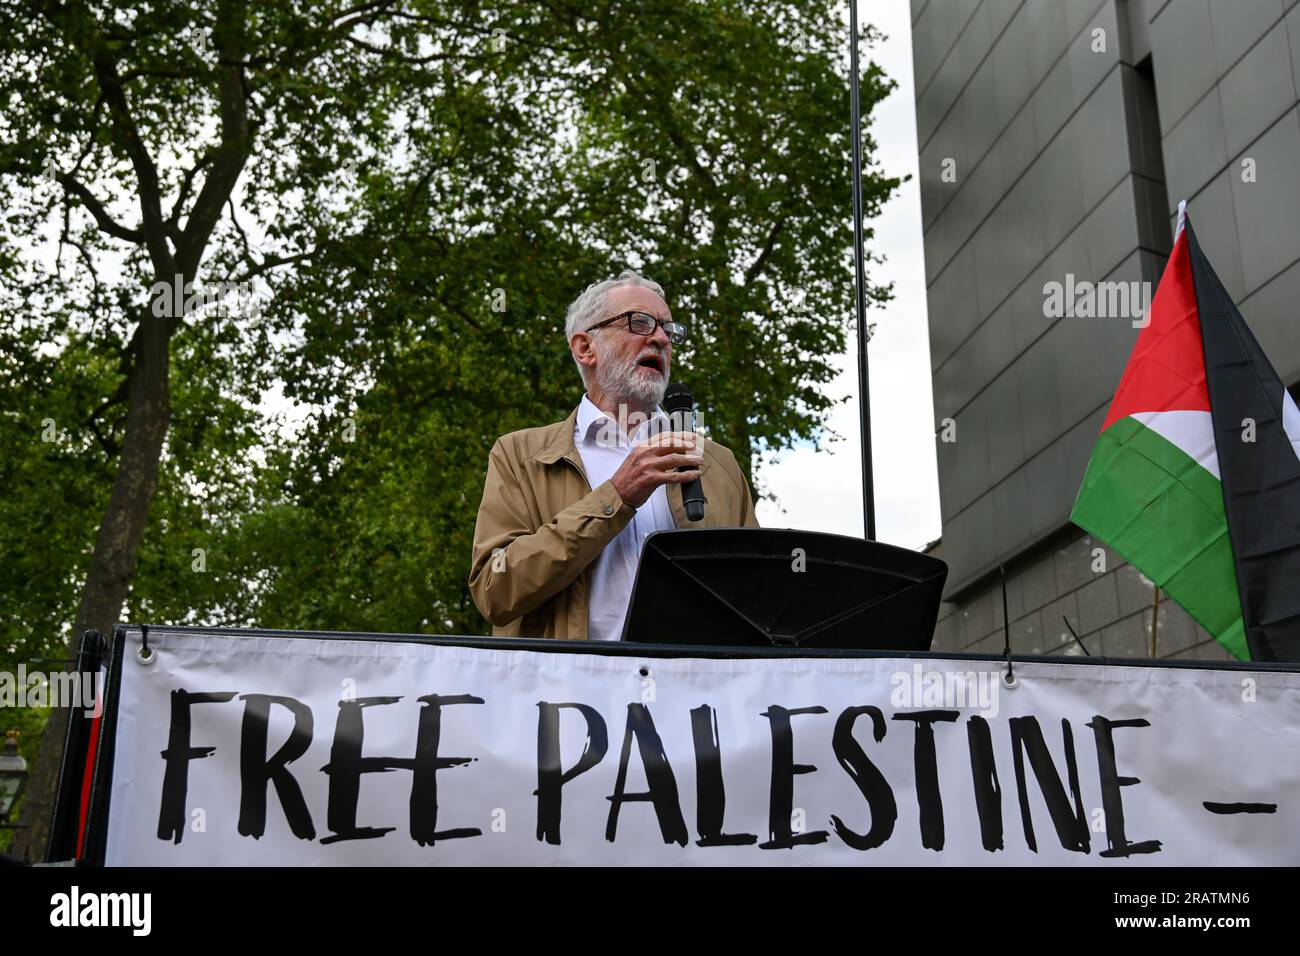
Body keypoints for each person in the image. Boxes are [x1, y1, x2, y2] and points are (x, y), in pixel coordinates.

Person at [468, 270, 759, 640]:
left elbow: (756, 599)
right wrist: (617, 495)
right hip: (573, 692)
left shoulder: (719, 465)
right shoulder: (520, 456)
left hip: (690, 691)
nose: (659, 339)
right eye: (639, 323)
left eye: (668, 331)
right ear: (585, 348)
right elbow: (495, 590)